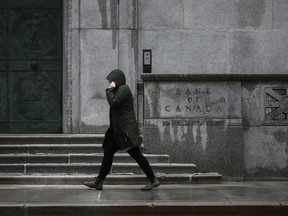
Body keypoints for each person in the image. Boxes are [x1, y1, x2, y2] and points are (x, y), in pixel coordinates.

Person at [83, 69, 160, 191]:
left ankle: (153, 179)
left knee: (136, 155)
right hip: (119, 131)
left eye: (111, 81)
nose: (109, 83)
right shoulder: (120, 90)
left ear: (116, 80)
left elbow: (114, 102)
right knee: (108, 151)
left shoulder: (124, 89)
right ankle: (98, 182)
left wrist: (110, 90)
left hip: (125, 132)